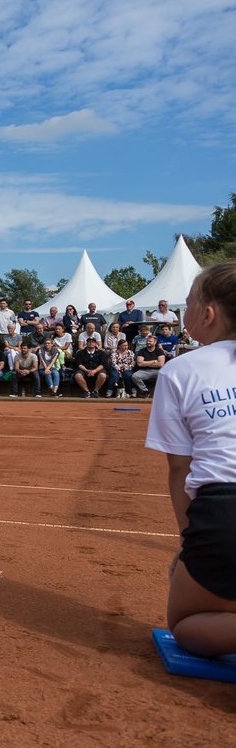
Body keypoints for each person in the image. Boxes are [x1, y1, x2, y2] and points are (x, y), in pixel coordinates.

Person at [144, 261, 236, 658]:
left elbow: (179, 469)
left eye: (189, 303)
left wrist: (187, 543)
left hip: (225, 514)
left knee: (186, 626)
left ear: (208, 314)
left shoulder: (181, 370)